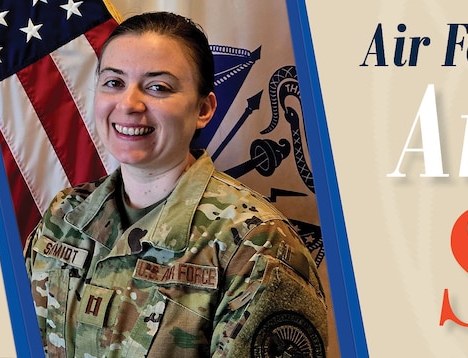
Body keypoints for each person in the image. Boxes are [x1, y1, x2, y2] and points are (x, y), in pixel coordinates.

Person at [22, 11, 334, 358]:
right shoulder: (63, 217)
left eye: (158, 87)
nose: (129, 104)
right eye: (114, 82)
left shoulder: (257, 247)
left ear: (203, 109)